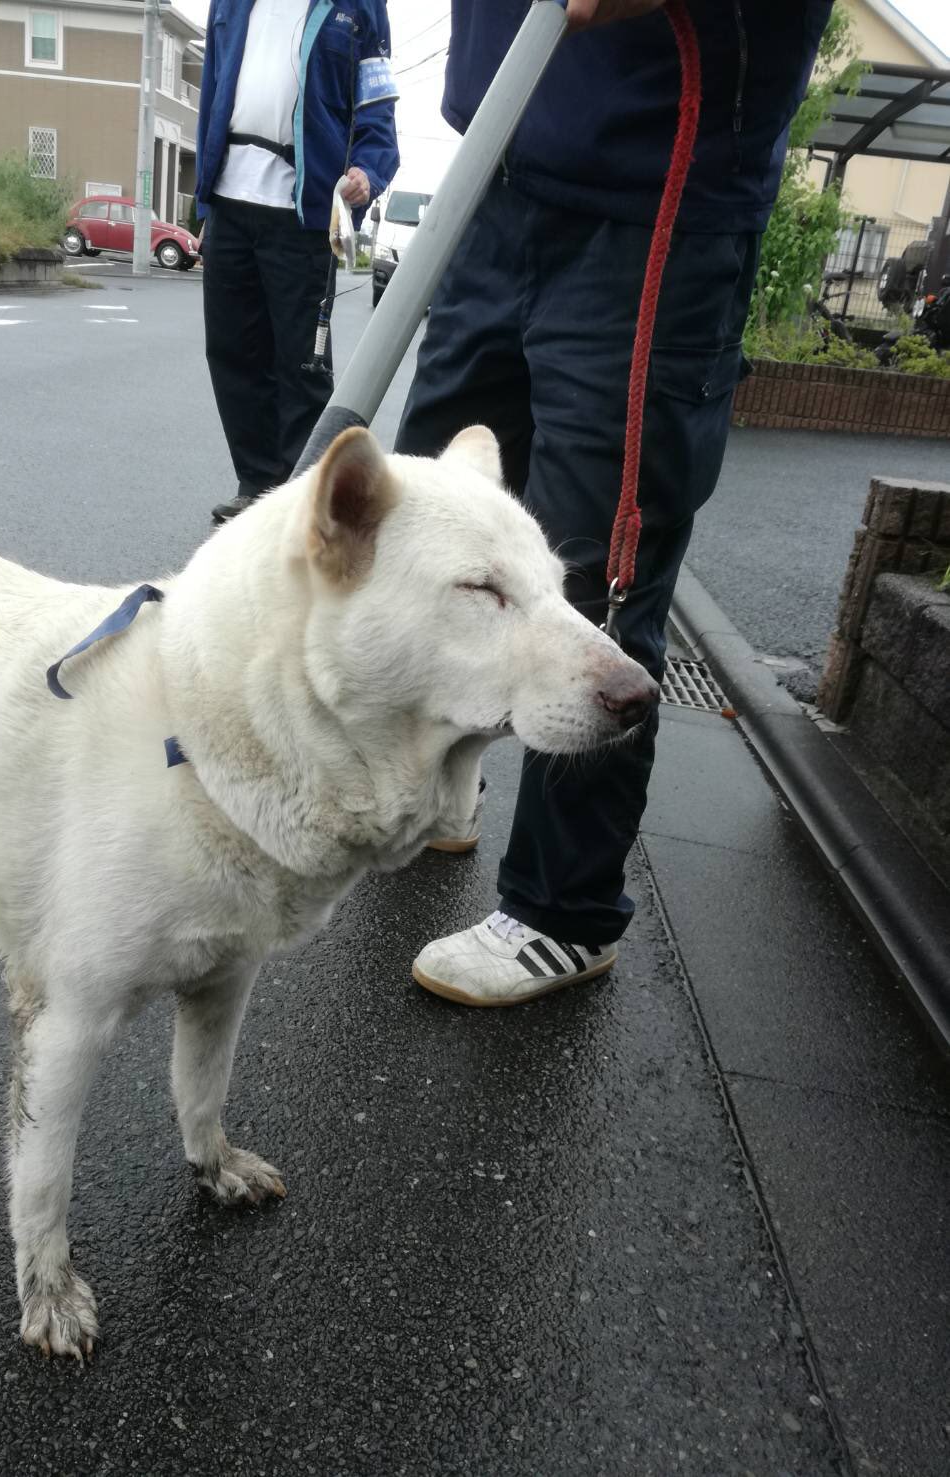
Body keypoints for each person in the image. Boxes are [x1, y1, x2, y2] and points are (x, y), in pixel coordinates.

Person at [403, 0, 832, 1006]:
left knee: (596, 569)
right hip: (500, 162)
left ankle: (564, 911)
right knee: (435, 523)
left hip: (657, 187)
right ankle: (443, 785)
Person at [195, 0, 398, 525]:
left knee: (302, 367)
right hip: (228, 201)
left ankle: (303, 501)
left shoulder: (358, 8)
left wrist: (367, 174)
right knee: (233, 354)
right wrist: (203, 202)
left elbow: (378, 111)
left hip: (301, 211)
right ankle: (257, 488)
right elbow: (214, 91)